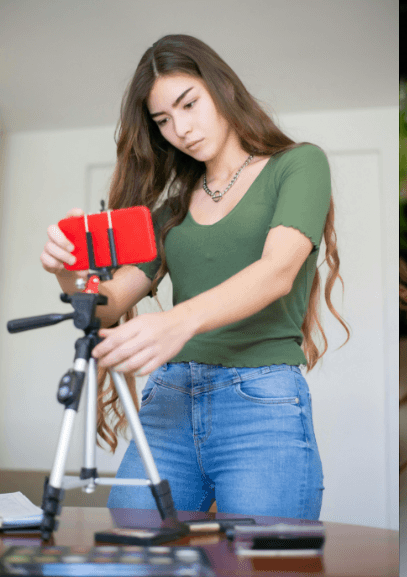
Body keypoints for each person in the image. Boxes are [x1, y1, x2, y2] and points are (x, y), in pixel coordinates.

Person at [39, 34, 349, 518]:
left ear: (222, 88)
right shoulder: (169, 214)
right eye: (162, 120)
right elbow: (109, 303)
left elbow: (277, 271)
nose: (180, 128)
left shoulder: (297, 165)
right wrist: (69, 271)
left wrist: (177, 322)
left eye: (189, 104)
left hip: (261, 401)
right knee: (133, 568)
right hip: (168, 405)